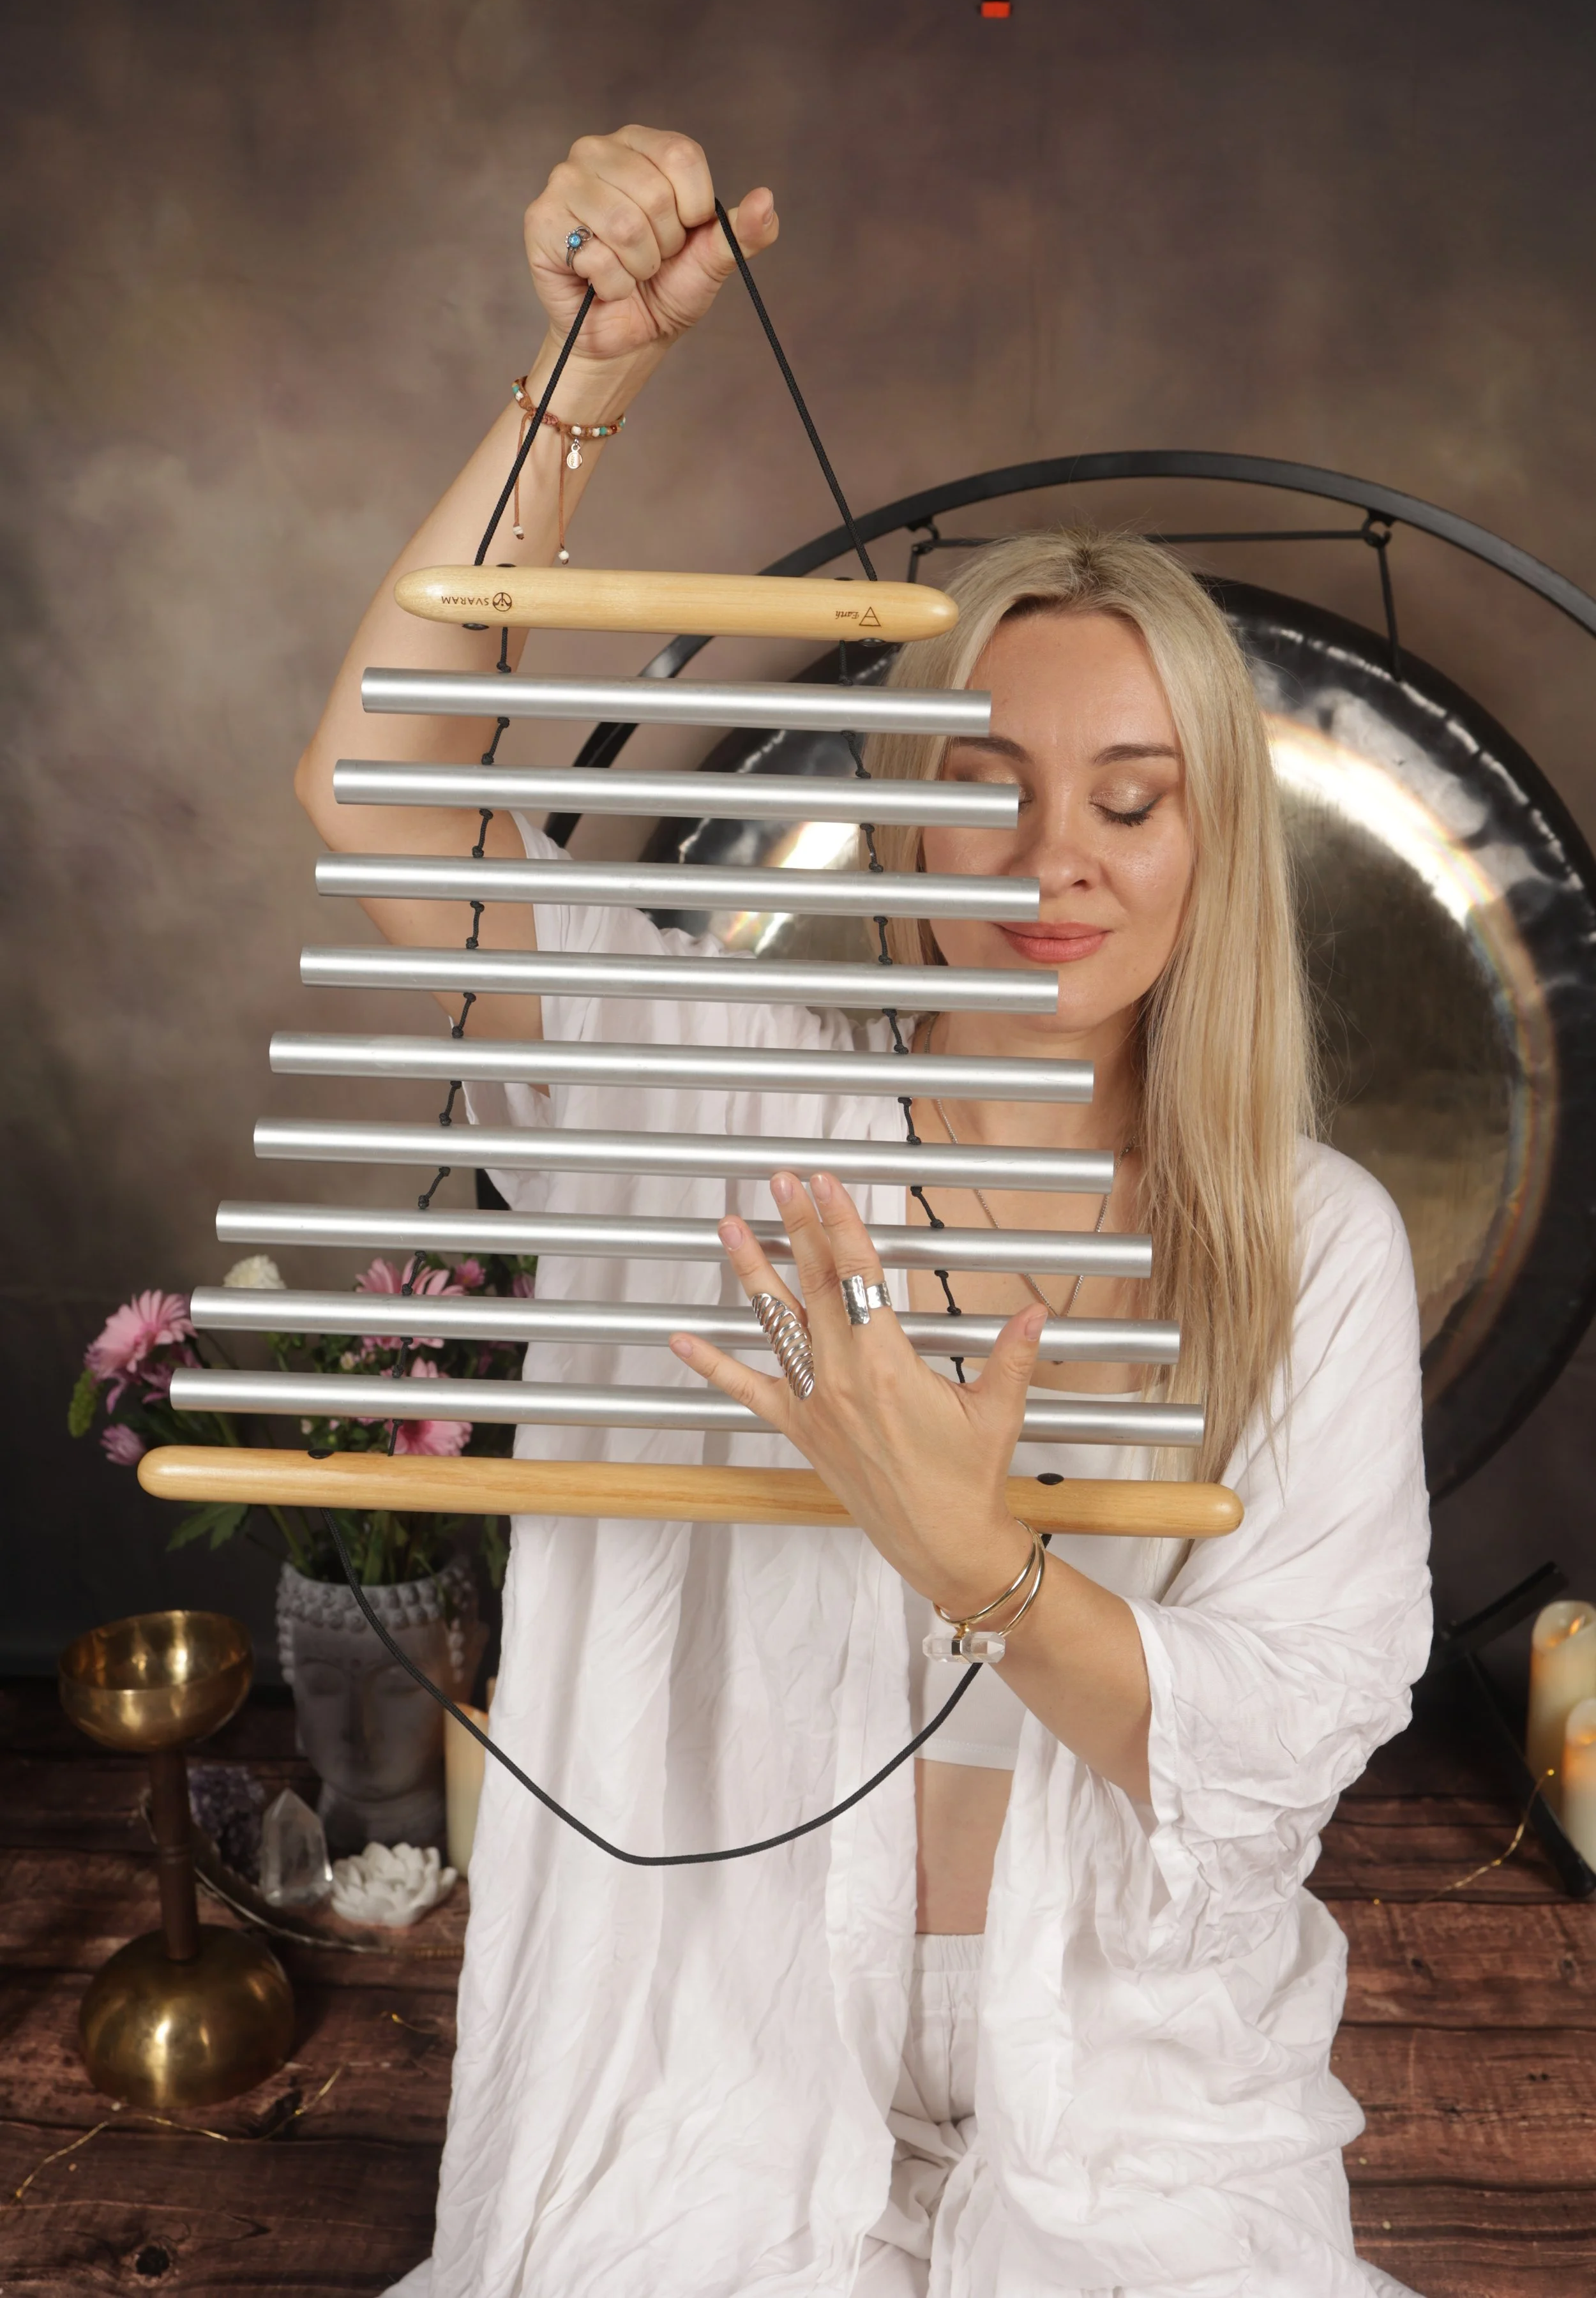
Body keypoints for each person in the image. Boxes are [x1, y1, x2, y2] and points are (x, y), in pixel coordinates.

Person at [297, 126, 1431, 2298]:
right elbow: (383, 786)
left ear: (1212, 852)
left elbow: (1269, 1751)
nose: (1052, 859)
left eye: (1127, 798)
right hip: (719, 2032)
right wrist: (583, 382)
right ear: (896, 823)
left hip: (1129, 2063)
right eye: (982, 786)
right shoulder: (713, 1101)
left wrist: (972, 1558)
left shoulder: (1318, 1240)